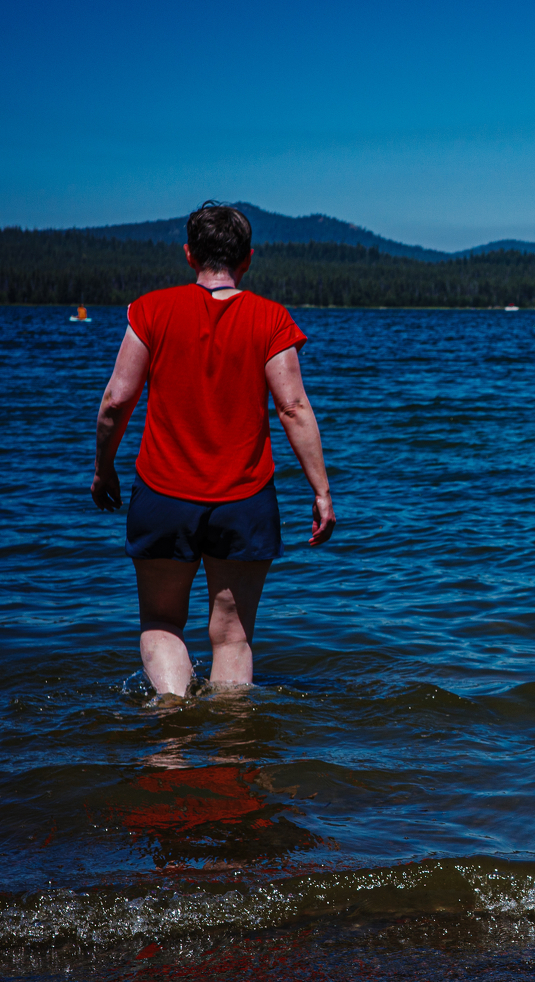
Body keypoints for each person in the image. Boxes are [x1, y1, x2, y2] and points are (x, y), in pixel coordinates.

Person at [91, 201, 336, 700]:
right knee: (232, 636)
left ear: (189, 255)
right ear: (247, 258)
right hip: (244, 500)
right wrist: (321, 491)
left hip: (163, 494)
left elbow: (117, 399)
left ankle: (170, 740)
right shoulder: (270, 319)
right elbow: (293, 408)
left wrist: (104, 468)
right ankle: (230, 755)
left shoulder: (151, 310)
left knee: (161, 622)